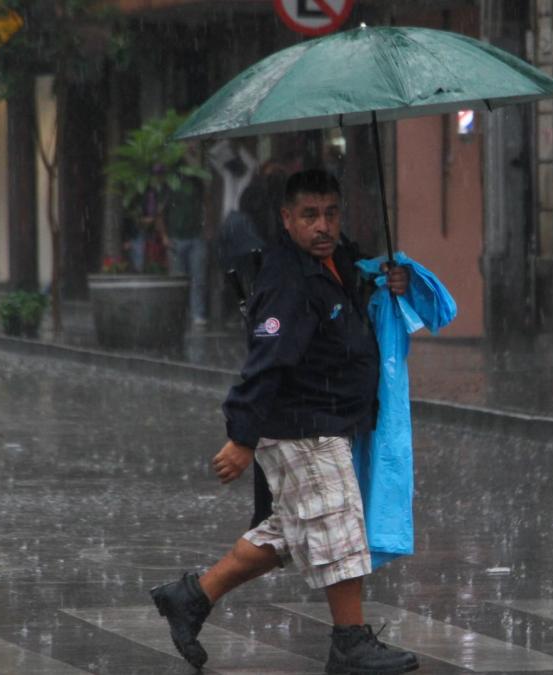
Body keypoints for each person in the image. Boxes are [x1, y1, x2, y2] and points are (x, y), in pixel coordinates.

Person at [150, 169, 419, 675]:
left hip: (327, 418)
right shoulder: (287, 278)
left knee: (290, 532)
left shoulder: (338, 262)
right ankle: (350, 643)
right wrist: (241, 436)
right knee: (338, 526)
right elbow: (266, 360)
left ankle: (190, 598)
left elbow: (358, 298)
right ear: (287, 218)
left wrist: (388, 279)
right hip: (302, 422)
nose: (323, 226)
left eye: (331, 214)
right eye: (310, 215)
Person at [157, 172, 210, 326]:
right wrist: (165, 236)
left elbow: (207, 204)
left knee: (198, 278)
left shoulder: (197, 182)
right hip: (175, 238)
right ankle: (179, 314)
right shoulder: (169, 184)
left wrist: (207, 229)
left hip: (195, 237)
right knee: (178, 279)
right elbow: (160, 213)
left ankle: (197, 313)